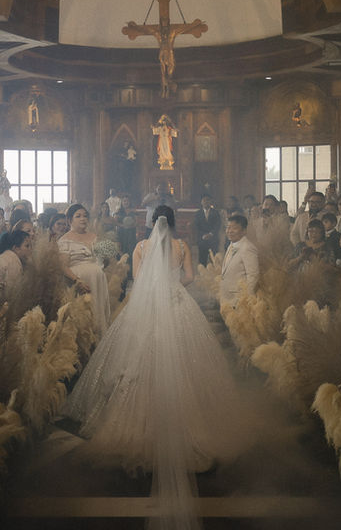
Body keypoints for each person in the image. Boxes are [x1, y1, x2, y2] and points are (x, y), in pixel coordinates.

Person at [64, 206, 249, 528]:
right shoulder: (181, 246)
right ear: (174, 224)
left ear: (150, 224)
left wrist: (154, 290)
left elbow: (137, 279)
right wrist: (174, 288)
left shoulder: (139, 247)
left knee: (139, 363)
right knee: (186, 363)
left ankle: (141, 431)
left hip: (147, 307)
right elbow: (189, 277)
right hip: (177, 303)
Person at [58, 204, 111, 334]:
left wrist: (106, 256)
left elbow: (103, 260)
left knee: (98, 313)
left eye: (85, 216)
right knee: (84, 315)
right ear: (70, 220)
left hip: (98, 280)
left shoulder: (94, 236)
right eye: (78, 216)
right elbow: (63, 266)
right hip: (80, 281)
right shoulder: (65, 240)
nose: (83, 219)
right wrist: (77, 281)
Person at [0, 230, 32, 305]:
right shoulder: (13, 260)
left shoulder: (2, 257)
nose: (30, 250)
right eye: (27, 246)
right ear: (16, 248)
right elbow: (12, 294)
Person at [219, 214, 260, 308]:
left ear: (244, 231)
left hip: (239, 298)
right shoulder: (231, 244)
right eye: (228, 228)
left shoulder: (248, 248)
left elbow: (253, 275)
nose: (230, 231)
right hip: (227, 295)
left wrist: (245, 298)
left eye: (234, 228)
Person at [193, 193, 222, 266]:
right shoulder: (198, 213)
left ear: (211, 202)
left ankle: (216, 275)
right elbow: (196, 226)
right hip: (202, 239)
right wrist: (203, 235)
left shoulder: (216, 212)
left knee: (215, 260)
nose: (206, 202)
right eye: (204, 200)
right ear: (201, 202)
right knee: (202, 260)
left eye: (208, 200)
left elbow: (217, 225)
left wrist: (210, 234)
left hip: (213, 239)